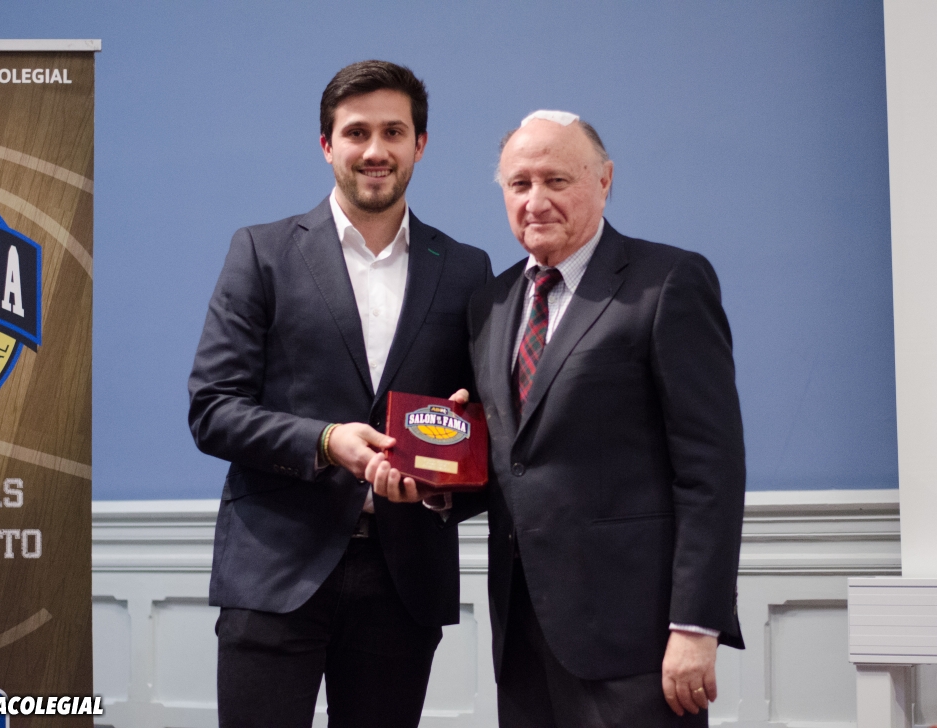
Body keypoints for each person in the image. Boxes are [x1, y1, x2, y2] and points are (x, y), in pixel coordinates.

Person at [187, 60, 492, 728]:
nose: (375, 150)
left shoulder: (467, 269)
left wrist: (442, 485)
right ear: (327, 145)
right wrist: (326, 441)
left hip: (404, 580)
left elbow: (482, 426)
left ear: (421, 144)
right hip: (275, 570)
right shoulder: (262, 253)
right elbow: (213, 409)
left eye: (394, 132)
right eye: (357, 132)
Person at [469, 110, 746, 727]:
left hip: (637, 644)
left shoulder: (667, 282)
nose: (535, 201)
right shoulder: (491, 302)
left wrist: (696, 626)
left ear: (604, 180)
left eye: (556, 180)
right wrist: (438, 484)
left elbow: (711, 470)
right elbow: (513, 459)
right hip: (523, 637)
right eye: (519, 184)